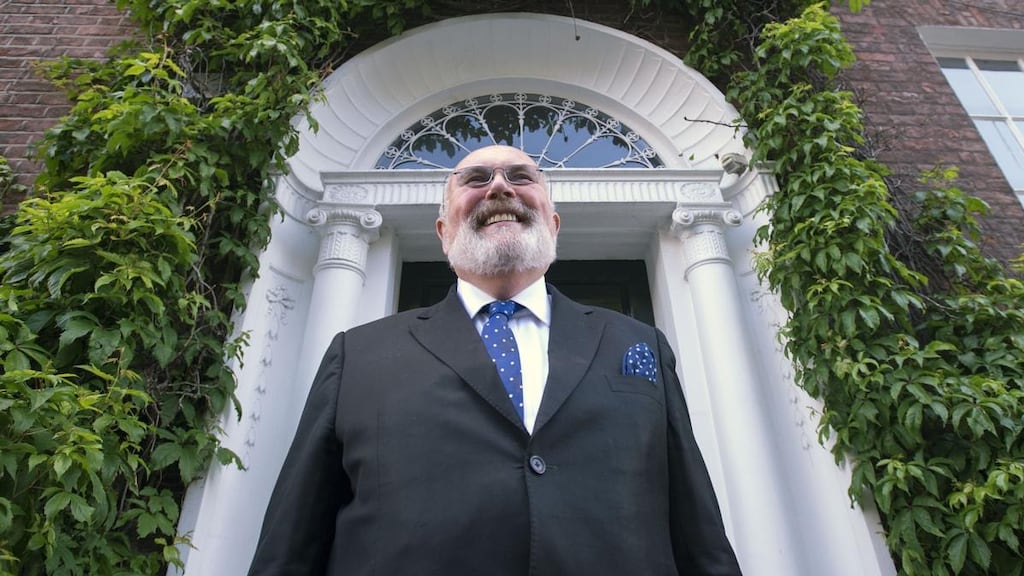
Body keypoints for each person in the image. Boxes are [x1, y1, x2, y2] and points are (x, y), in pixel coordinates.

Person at [247, 145, 743, 575]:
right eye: (476, 178)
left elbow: (698, 532)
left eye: (522, 176)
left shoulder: (638, 342)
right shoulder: (358, 354)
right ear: (443, 232)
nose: (501, 187)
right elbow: (291, 544)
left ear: (553, 225)